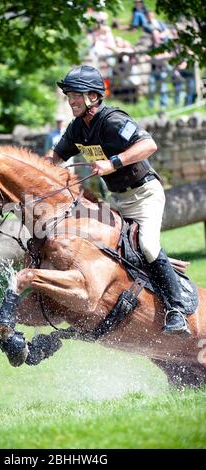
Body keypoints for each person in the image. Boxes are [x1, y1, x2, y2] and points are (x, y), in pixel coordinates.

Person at [48, 65, 190, 336]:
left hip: (145, 195)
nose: (71, 101)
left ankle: (177, 309)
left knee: (147, 245)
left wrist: (113, 162)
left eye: (76, 95)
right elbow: (54, 158)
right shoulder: (77, 129)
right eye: (69, 95)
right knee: (111, 249)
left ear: (93, 96)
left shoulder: (112, 120)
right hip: (119, 199)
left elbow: (148, 145)